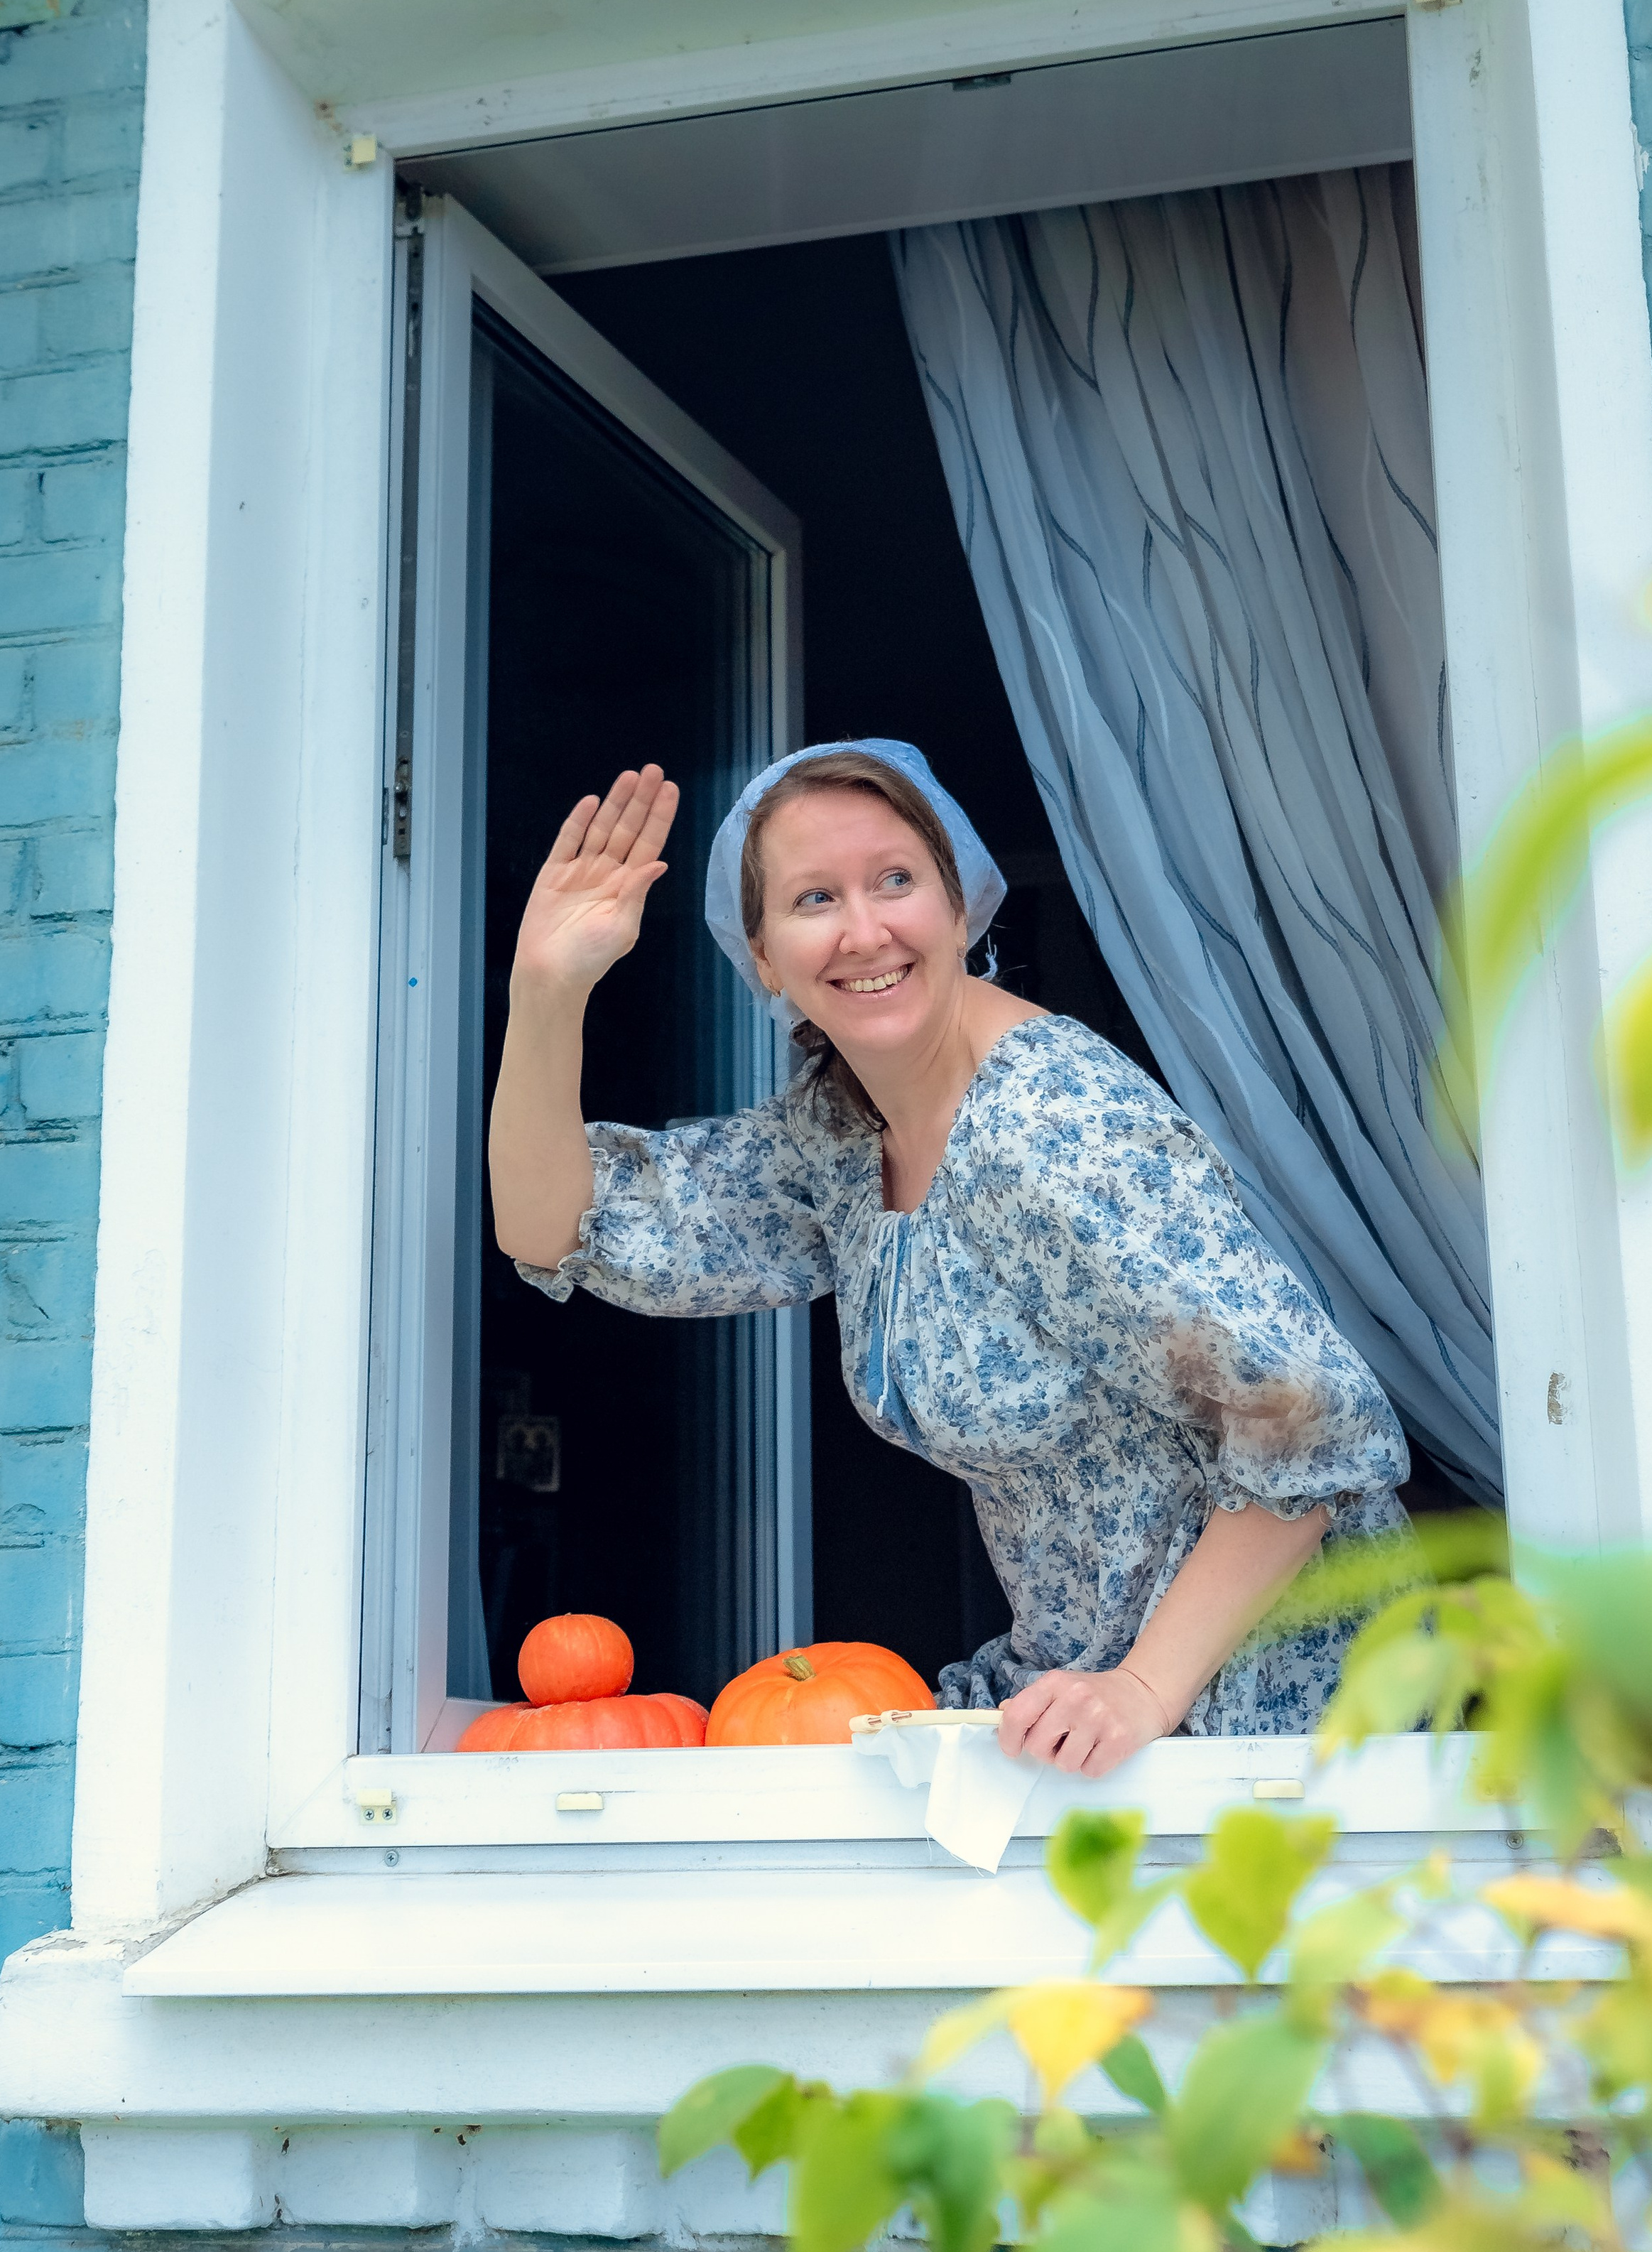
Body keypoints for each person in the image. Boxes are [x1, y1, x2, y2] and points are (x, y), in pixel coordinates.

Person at [489, 741, 1410, 1776]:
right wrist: (546, 990)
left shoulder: (1054, 1127)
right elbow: (556, 1226)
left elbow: (1309, 1422)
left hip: (1273, 1737)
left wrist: (1145, 1688)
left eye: (896, 880)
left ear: (961, 903)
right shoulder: (843, 1136)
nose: (865, 929)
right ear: (761, 956)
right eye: (814, 898)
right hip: (1085, 1713)